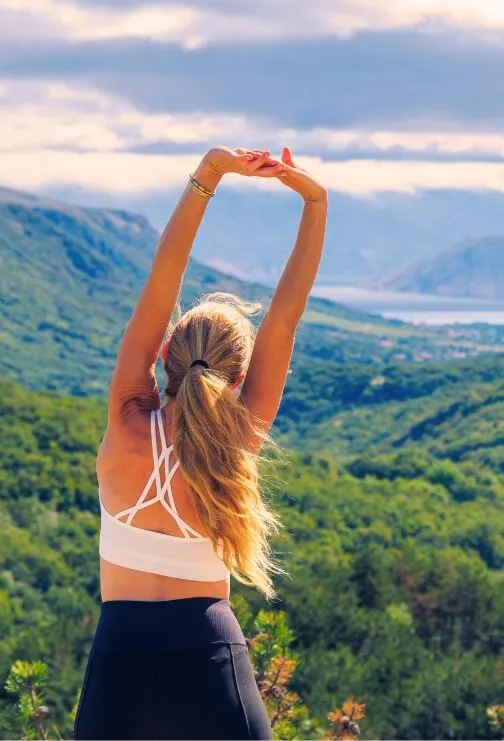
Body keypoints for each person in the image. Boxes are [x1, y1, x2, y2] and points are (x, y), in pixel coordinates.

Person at [74, 145, 327, 740]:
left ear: (163, 356)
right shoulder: (237, 441)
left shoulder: (126, 421)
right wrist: (314, 202)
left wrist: (210, 172)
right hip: (212, 660)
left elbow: (162, 282)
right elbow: (284, 319)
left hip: (119, 661)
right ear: (238, 381)